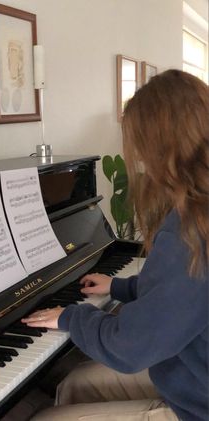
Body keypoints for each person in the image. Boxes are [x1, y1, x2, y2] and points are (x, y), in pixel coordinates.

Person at [22, 69, 209, 421]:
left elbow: (131, 349)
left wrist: (72, 315)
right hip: (191, 368)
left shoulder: (188, 230)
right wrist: (121, 286)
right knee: (75, 383)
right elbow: (187, 294)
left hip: (197, 405)